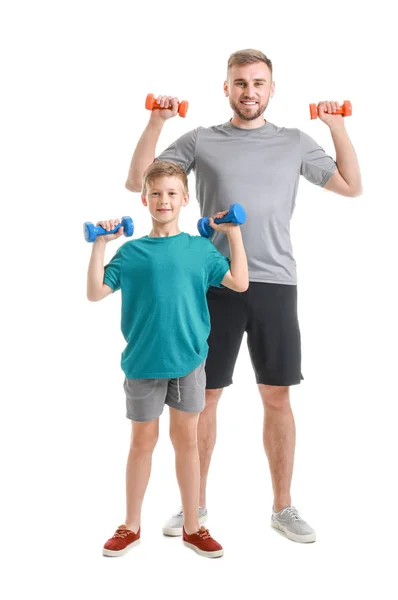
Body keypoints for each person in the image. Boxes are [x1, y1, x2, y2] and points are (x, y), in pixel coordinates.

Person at [125, 49, 362, 544]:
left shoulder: (295, 142)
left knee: (277, 395)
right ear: (226, 89)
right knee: (204, 397)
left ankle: (283, 507)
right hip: (213, 284)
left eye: (258, 83)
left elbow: (350, 186)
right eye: (239, 83)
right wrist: (155, 121)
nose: (249, 91)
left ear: (271, 90)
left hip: (276, 281)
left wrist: (335, 124)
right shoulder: (201, 140)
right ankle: (198, 505)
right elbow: (138, 182)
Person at [87, 160, 248, 558]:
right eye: (156, 193)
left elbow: (240, 282)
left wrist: (235, 234)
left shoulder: (199, 249)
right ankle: (130, 526)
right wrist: (100, 244)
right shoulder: (131, 252)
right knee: (142, 443)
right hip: (143, 363)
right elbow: (94, 292)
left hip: (189, 361)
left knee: (186, 443)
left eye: (172, 193)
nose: (164, 200)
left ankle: (193, 527)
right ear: (144, 199)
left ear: (185, 199)